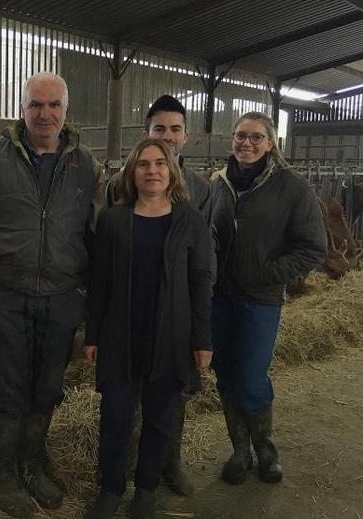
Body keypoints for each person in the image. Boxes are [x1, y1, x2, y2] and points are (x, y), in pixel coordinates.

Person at [0, 72, 105, 518]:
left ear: (65, 111)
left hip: (60, 297)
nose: (45, 114)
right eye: (36, 104)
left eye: (53, 105)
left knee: (47, 386)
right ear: (22, 108)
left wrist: (82, 289)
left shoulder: (86, 164)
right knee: (6, 387)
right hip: (5, 294)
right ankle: (4, 473)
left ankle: (34, 465)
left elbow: (98, 233)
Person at [84, 138, 213, 519]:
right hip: (121, 335)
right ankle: (110, 489)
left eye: (160, 163)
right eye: (143, 164)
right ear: (132, 173)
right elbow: (100, 282)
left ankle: (146, 490)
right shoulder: (114, 220)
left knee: (160, 419)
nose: (152, 170)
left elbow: (201, 281)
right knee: (116, 416)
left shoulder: (190, 220)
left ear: (171, 171)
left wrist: (202, 338)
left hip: (171, 335)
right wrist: (92, 334)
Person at [209, 112, 326, 485]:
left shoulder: (293, 188)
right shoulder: (218, 183)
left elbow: (313, 248)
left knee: (251, 376)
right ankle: (239, 451)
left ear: (271, 143)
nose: (246, 143)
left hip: (260, 299)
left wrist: (270, 273)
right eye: (240, 136)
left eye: (256, 137)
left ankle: (266, 450)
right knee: (225, 374)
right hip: (220, 297)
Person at [106, 94, 211, 496]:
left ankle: (169, 460)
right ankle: (123, 468)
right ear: (146, 133)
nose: (167, 136)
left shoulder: (200, 190)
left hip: (178, 307)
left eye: (175, 129)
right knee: (122, 401)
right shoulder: (121, 184)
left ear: (186, 136)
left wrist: (200, 326)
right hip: (130, 309)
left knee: (168, 398)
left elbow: (207, 253)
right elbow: (109, 247)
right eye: (159, 129)